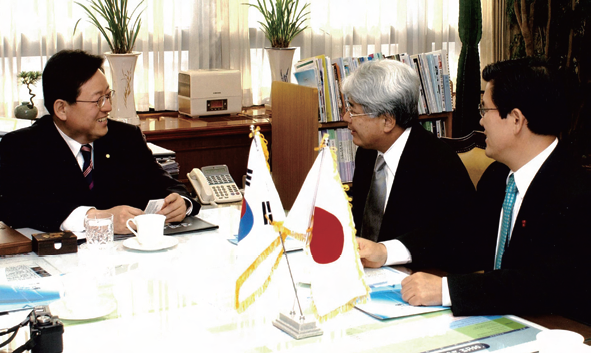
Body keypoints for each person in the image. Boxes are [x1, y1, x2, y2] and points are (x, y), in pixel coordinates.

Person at [400, 57, 591, 322]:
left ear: (515, 120)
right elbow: (460, 239)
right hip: (495, 321)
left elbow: (544, 284)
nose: (481, 122)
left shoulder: (576, 193)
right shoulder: (498, 175)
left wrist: (447, 290)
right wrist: (389, 251)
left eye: (485, 109)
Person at [0, 50, 200, 234]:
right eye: (98, 100)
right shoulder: (22, 146)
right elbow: (15, 208)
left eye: (108, 96)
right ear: (61, 108)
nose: (108, 107)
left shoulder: (125, 137)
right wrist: (94, 218)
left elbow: (165, 184)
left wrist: (182, 202)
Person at [340, 59, 475, 268]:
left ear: (387, 121)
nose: (346, 117)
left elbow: (455, 238)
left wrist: (387, 252)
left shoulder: (438, 163)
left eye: (353, 110)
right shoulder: (366, 154)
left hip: (412, 280)